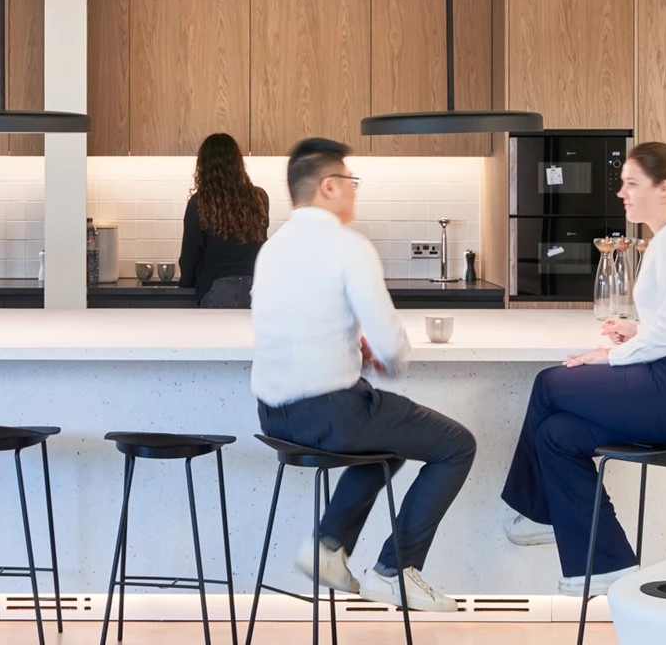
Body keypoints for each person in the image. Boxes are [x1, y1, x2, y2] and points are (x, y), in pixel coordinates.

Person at [498, 142, 666, 597]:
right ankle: (605, 565)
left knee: (551, 383)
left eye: (632, 183)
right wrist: (636, 331)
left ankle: (535, 514)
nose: (621, 193)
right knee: (558, 435)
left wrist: (608, 356)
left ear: (665, 189)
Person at [251, 137, 476, 613]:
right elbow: (391, 344)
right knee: (457, 445)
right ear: (328, 187)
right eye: (350, 183)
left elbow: (300, 322)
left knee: (387, 448)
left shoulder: (272, 248)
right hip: (334, 414)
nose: (355, 192)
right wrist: (385, 358)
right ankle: (394, 572)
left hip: (274, 417)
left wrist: (351, 342)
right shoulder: (348, 245)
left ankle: (328, 548)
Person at [179, 132, 269, 308]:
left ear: (203, 166)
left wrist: (185, 287)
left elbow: (190, 256)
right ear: (238, 164)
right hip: (257, 291)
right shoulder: (259, 198)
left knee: (216, 337)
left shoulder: (200, 202)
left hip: (218, 291)